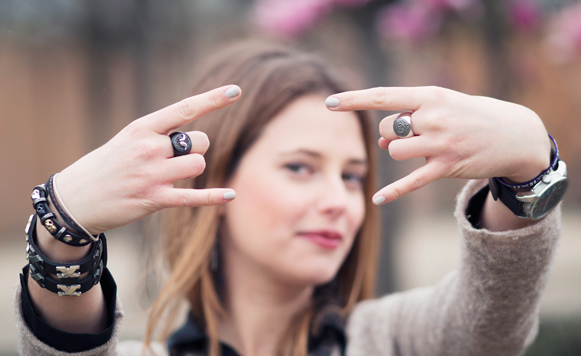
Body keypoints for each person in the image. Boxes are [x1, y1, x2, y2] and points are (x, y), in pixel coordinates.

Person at [15, 41, 566, 356]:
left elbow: (491, 321)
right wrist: (60, 228)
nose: (337, 200)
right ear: (209, 178)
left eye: (352, 176)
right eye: (300, 167)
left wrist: (528, 173)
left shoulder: (395, 340)